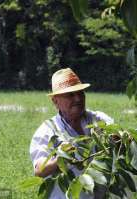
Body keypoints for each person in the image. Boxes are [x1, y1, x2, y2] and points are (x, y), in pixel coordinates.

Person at [29, 68, 113, 199]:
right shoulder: (47, 131)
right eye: (70, 95)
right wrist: (60, 158)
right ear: (55, 101)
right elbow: (39, 170)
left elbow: (119, 141)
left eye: (81, 93)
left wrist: (120, 139)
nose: (78, 98)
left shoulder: (99, 120)